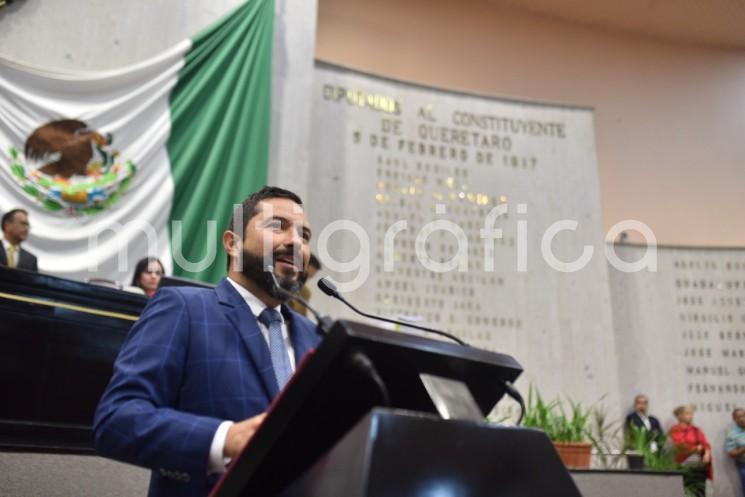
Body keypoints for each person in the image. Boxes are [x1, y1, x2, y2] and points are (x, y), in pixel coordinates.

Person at [93, 186, 322, 497]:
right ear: (232, 242)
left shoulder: (314, 335)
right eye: (276, 226)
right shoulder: (182, 308)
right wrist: (226, 439)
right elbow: (117, 419)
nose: (295, 242)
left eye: (305, 235)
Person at [669, 405, 712, 497]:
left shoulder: (696, 429)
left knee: (700, 493)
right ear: (679, 416)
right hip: (685, 467)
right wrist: (696, 448)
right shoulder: (675, 429)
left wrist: (707, 453)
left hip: (699, 468)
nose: (691, 416)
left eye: (691, 414)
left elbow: (705, 444)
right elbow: (680, 445)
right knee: (687, 492)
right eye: (688, 413)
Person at [725, 408, 745, 497]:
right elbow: (731, 453)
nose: (742, 419)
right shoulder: (732, 434)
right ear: (734, 419)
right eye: (739, 417)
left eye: (744, 416)